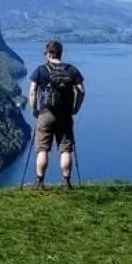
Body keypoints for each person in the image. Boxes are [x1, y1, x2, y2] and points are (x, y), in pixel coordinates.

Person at [27, 40, 85, 189]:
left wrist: (34, 109)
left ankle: (39, 182)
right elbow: (81, 90)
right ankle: (66, 182)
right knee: (65, 149)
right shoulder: (71, 70)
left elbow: (33, 91)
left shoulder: (41, 70)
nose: (45, 55)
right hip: (65, 115)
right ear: (60, 53)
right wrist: (75, 108)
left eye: (46, 53)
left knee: (42, 148)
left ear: (49, 53)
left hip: (45, 113)